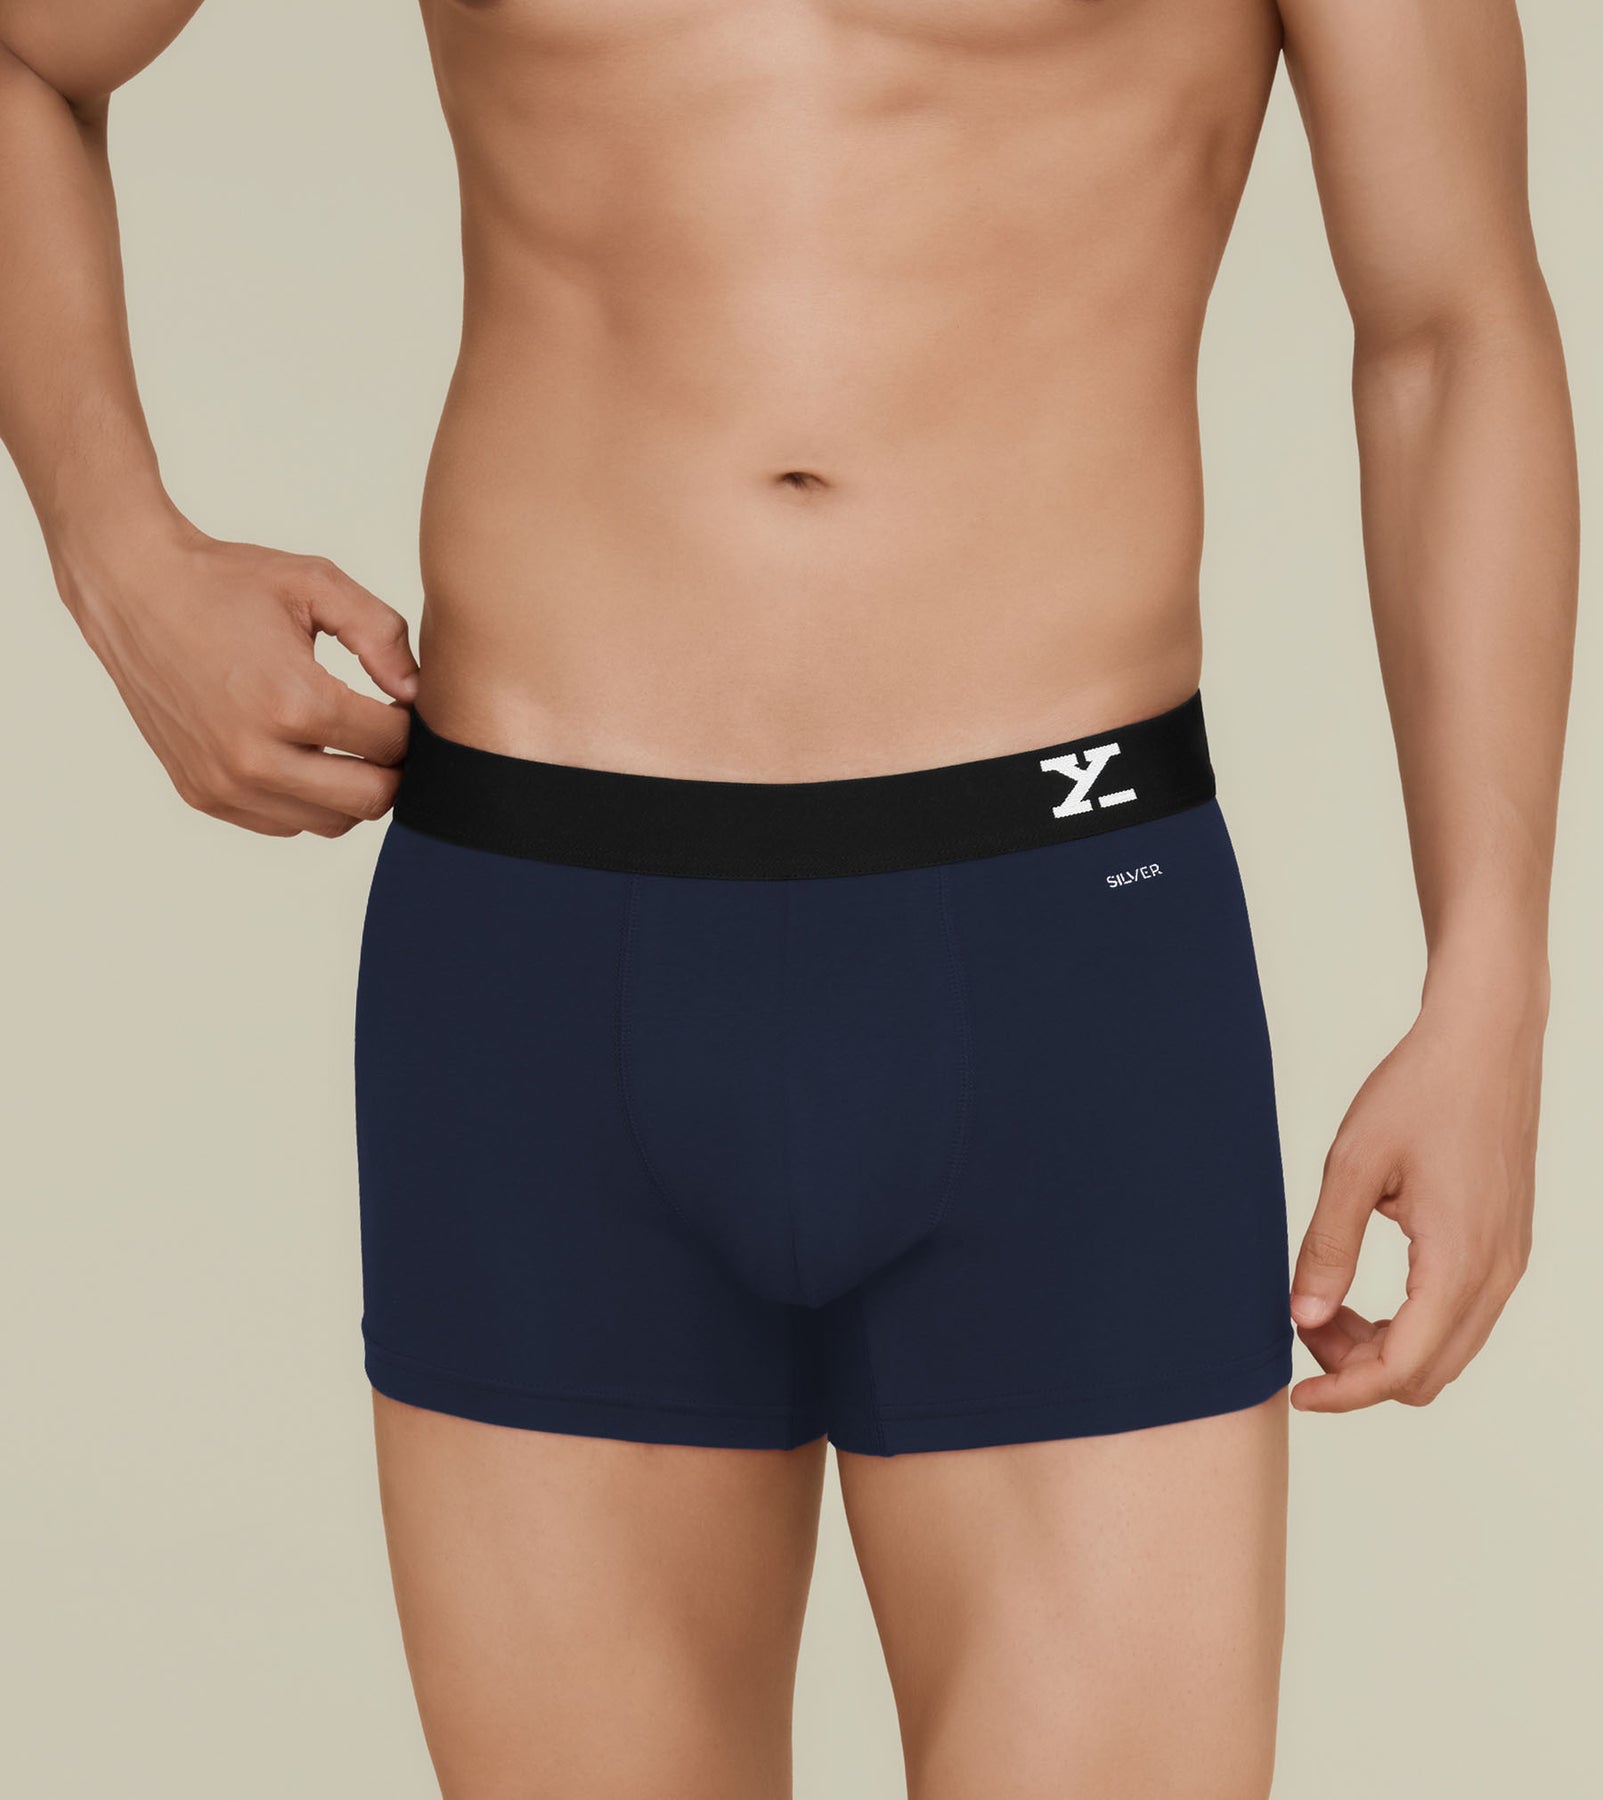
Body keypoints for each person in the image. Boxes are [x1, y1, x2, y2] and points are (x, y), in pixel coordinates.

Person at [0, 2, 1577, 1796]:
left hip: (1065, 949)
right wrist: (116, 553)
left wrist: (1493, 979)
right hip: (543, 948)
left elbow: (1452, 323)